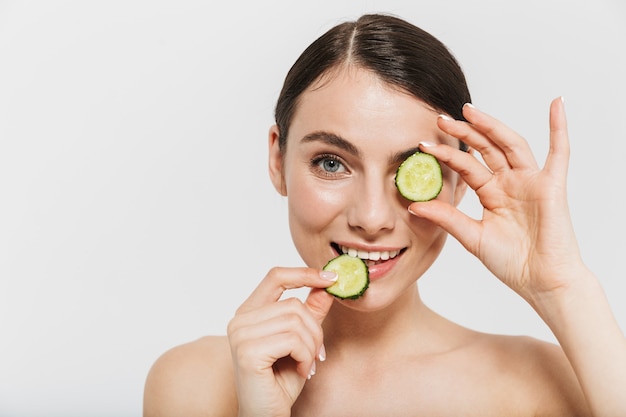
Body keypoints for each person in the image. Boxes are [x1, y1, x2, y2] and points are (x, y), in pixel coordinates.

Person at [143, 13, 626, 416]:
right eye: (331, 163)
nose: (372, 217)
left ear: (459, 181)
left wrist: (563, 287)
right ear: (278, 160)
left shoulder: (546, 385)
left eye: (414, 170)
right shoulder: (194, 386)